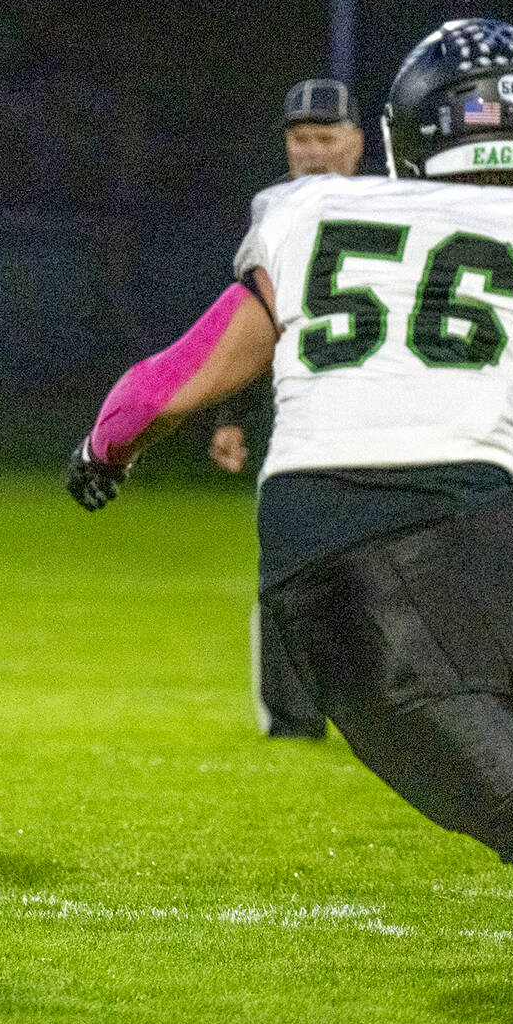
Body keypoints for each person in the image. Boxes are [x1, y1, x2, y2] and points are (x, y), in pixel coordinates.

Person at [67, 18, 513, 1024]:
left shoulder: (312, 214)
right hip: (487, 529)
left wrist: (106, 445)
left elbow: (180, 372)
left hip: (329, 561)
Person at [212, 78, 365, 741]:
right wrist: (231, 412)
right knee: (292, 561)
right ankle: (295, 717)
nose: (311, 150)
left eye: (325, 137)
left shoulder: (396, 204)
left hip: (384, 403)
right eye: (300, 138)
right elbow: (256, 319)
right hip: (302, 406)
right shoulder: (273, 207)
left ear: (357, 142)